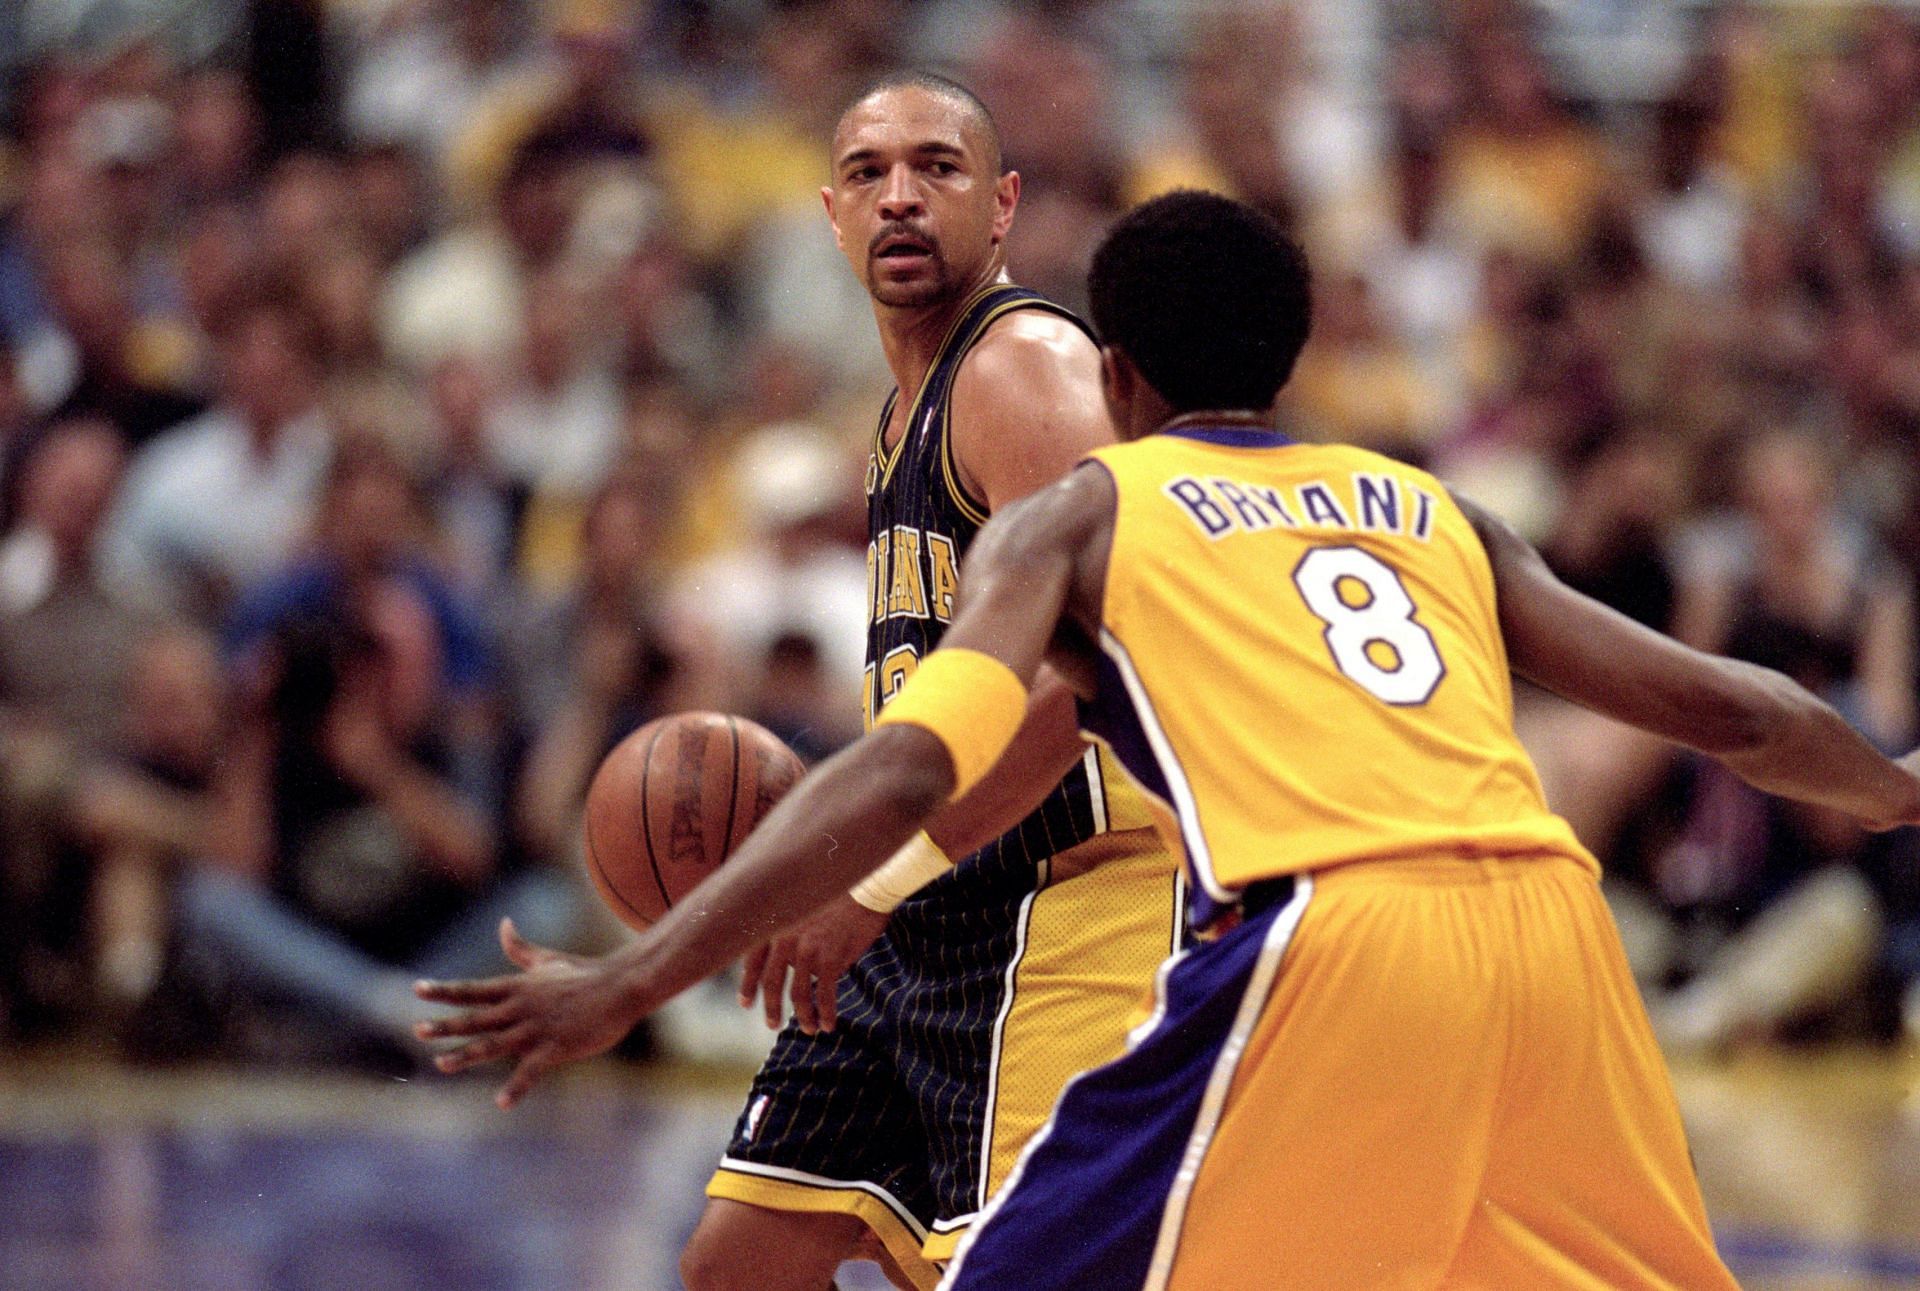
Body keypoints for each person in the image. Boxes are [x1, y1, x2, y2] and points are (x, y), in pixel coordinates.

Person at [417, 191, 1920, 1288]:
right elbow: (1742, 709)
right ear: (1293, 353)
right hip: (1557, 932)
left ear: (1113, 375)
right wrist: (1900, 787)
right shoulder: (1430, 507)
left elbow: (907, 762)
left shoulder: (1084, 511)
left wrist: (638, 967)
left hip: (1321, 934)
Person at [551, 72, 1184, 1291]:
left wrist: (876, 876)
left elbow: (1096, 667)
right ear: (830, 215)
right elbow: (930, 715)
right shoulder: (900, 415)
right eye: (868, 173)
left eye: (937, 168)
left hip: (1063, 910)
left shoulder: (1024, 369)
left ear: (1001, 206)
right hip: (931, 905)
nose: (900, 197)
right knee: (738, 1261)